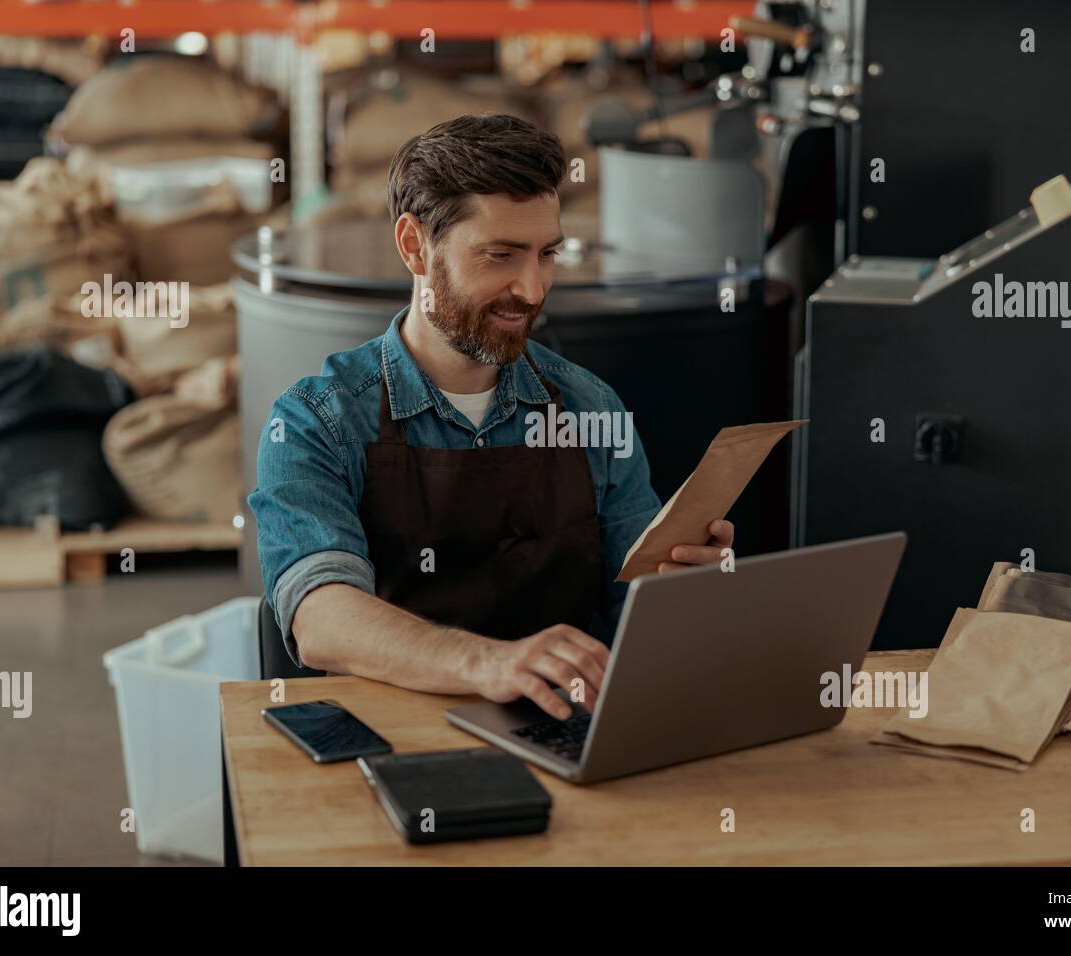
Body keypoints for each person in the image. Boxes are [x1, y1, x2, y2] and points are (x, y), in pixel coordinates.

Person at [251, 113, 734, 721]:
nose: (531, 290)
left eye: (546, 255)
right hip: (387, 740)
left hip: (561, 729)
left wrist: (682, 588)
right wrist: (490, 664)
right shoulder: (315, 420)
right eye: (500, 255)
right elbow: (320, 615)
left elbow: (631, 602)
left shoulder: (590, 409)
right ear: (414, 247)